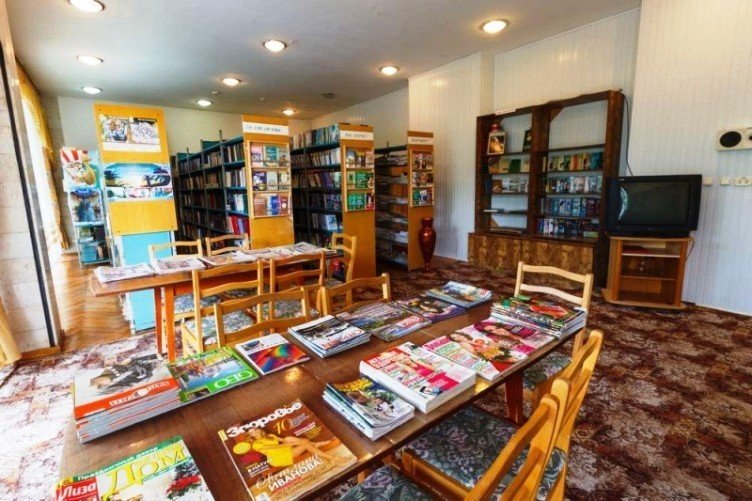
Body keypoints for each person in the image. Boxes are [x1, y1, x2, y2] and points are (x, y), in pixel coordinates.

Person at [245, 427, 350, 464]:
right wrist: (297, 443)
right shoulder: (256, 445)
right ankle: (333, 458)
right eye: (252, 432)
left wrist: (295, 442)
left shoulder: (270, 436)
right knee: (305, 445)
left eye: (255, 429)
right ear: (251, 436)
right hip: (278, 458)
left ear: (259, 429)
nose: (255, 432)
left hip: (283, 450)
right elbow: (277, 447)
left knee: (288, 438)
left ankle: (316, 444)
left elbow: (284, 441)